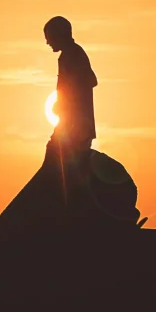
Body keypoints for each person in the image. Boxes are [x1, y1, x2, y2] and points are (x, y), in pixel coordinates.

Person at [43, 16, 98, 209]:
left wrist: (68, 100)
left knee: (66, 166)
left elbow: (90, 80)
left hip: (76, 126)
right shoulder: (68, 56)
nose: (47, 42)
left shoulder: (74, 55)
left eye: (49, 36)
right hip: (70, 123)